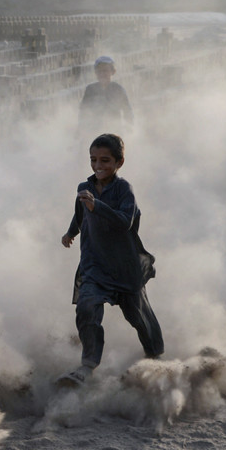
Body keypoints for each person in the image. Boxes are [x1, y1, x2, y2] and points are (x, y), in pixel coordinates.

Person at [59, 134, 163, 386]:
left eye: (105, 160)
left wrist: (99, 207)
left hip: (123, 265)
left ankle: (155, 358)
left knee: (138, 317)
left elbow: (125, 221)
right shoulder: (84, 188)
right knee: (87, 306)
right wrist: (71, 232)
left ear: (119, 162)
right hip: (94, 264)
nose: (98, 166)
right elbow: (80, 214)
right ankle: (87, 366)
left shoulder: (124, 189)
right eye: (93, 160)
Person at [78, 55, 134, 130]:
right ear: (95, 73)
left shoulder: (118, 90)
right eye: (99, 71)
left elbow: (127, 111)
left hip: (114, 131)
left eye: (105, 71)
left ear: (113, 72)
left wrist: (129, 127)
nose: (102, 74)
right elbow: (83, 111)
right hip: (94, 131)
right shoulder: (90, 90)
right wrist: (81, 129)